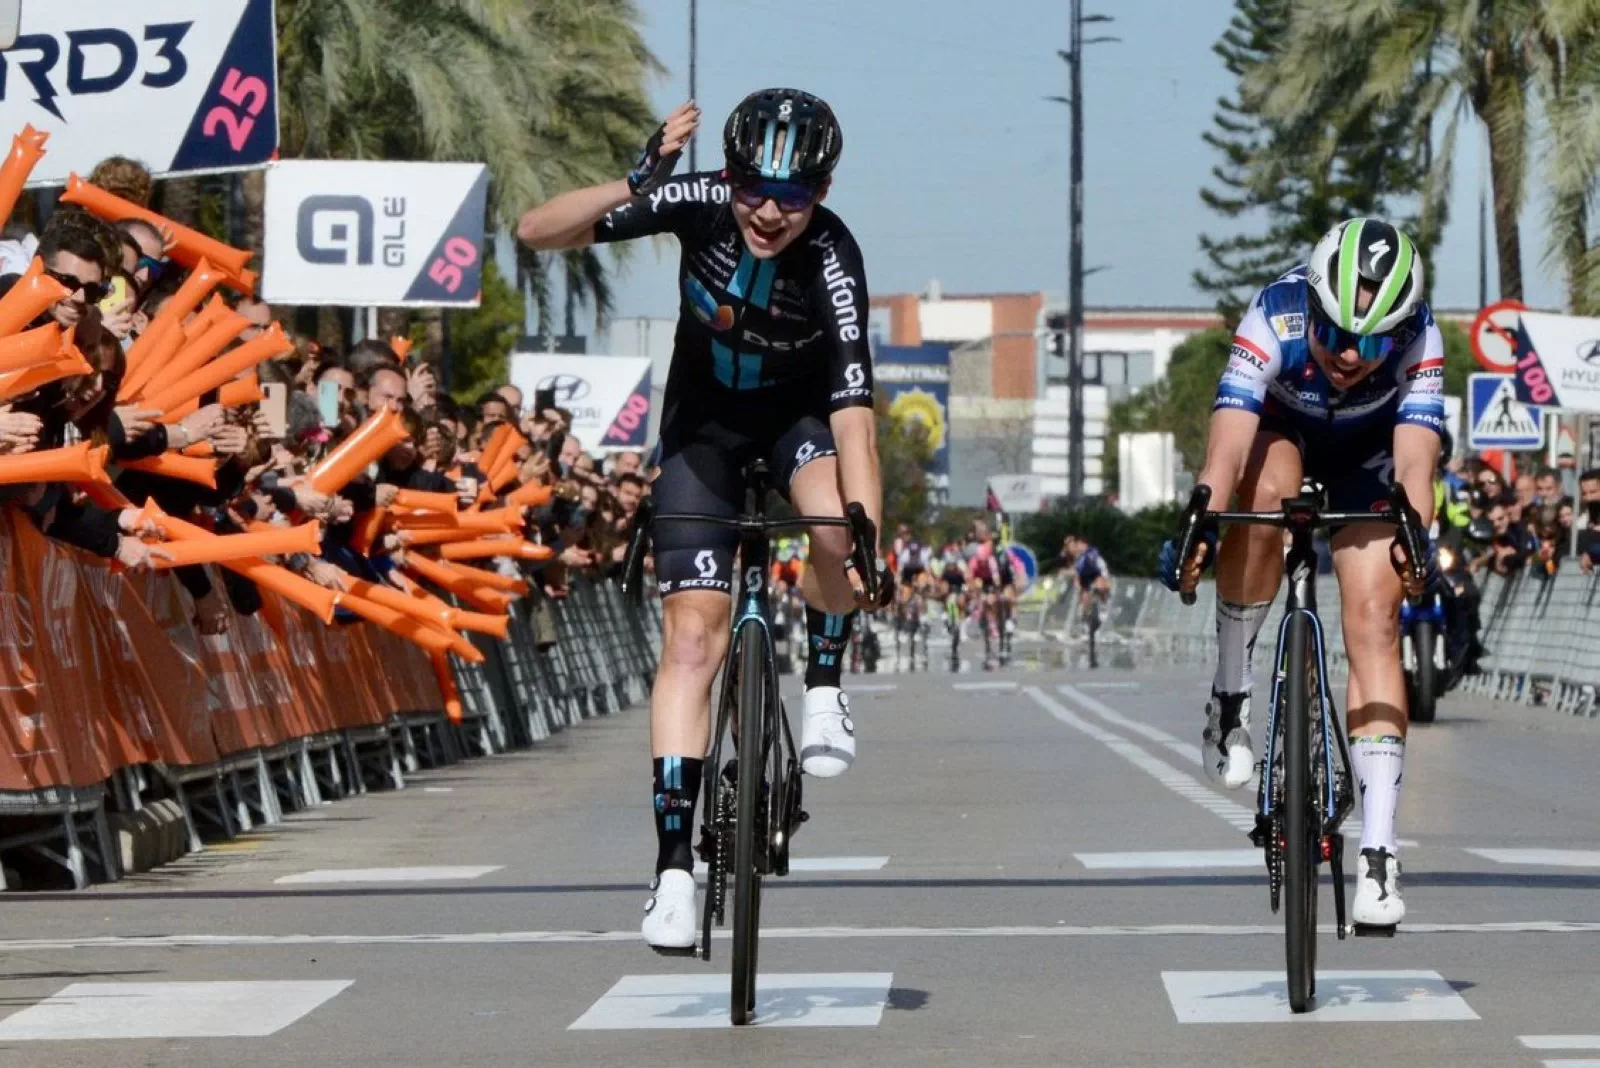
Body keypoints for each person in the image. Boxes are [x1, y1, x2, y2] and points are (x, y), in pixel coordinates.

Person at [516, 89, 885, 952]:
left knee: (837, 527)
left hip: (800, 423)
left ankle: (825, 685)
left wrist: (865, 533)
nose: (767, 211)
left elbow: (856, 415)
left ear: (822, 193)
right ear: (730, 177)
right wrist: (633, 181)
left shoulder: (835, 258)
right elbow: (537, 231)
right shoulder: (698, 201)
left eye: (792, 197)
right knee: (691, 643)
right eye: (754, 188)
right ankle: (674, 868)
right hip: (702, 432)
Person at [1160, 217, 1443, 931]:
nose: (1352, 354)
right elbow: (1224, 449)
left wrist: (1417, 532)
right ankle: (1231, 695)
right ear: (1312, 306)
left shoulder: (1421, 338)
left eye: (1373, 341)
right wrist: (1201, 516)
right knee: (1258, 490)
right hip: (1281, 436)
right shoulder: (1274, 311)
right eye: (1339, 333)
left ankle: (1379, 851)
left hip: (1369, 453)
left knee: (1376, 619)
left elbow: (1415, 462)